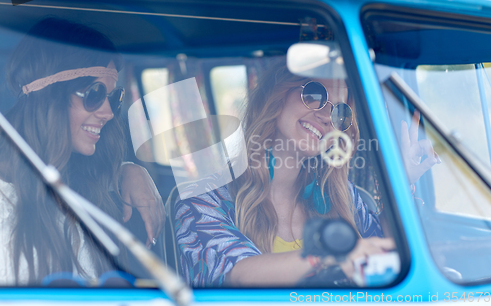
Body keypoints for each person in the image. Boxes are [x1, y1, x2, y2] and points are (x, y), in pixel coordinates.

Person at [174, 60, 438, 287]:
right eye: (314, 95)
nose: (327, 116)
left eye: (339, 112)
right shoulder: (203, 198)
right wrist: (333, 256)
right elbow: (238, 275)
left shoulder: (340, 195)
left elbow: (384, 250)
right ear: (276, 96)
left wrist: (402, 184)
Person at [0, 18, 165, 285]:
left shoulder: (82, 184)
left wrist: (130, 170)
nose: (109, 113)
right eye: (94, 93)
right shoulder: (6, 207)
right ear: (50, 97)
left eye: (114, 97)